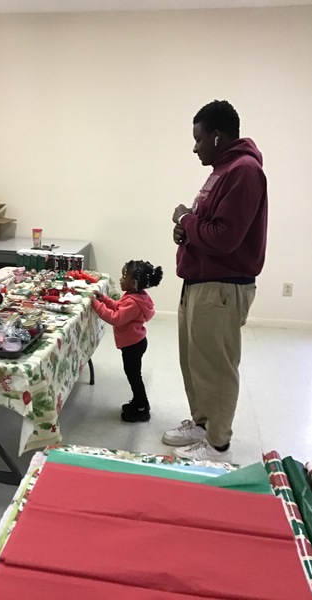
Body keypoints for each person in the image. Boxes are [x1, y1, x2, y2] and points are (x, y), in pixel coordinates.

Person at [162, 100, 268, 462]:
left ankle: (217, 444)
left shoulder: (244, 171)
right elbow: (209, 224)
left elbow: (225, 238)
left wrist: (186, 220)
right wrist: (187, 230)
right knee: (195, 361)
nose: (195, 147)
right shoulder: (222, 170)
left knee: (217, 366)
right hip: (200, 280)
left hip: (222, 285)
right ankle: (203, 423)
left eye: (199, 139)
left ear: (218, 137)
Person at [92, 260, 163, 422]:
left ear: (134, 282)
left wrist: (96, 305)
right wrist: (103, 299)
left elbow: (115, 318)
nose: (120, 279)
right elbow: (118, 306)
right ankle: (138, 401)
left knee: (134, 376)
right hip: (134, 343)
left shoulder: (133, 302)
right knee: (133, 375)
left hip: (133, 346)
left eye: (124, 276)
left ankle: (142, 407)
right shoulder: (134, 296)